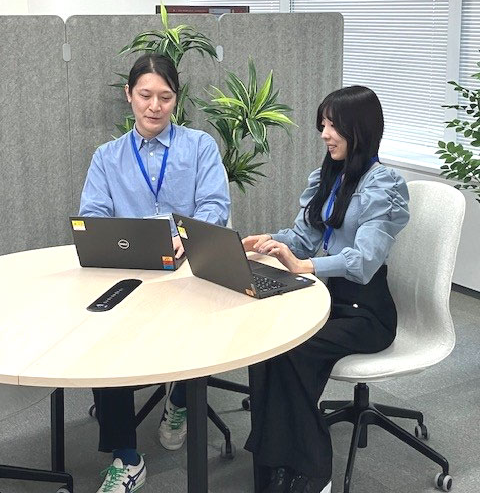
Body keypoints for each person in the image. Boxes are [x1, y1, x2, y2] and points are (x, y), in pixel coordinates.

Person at [242, 85, 409, 493]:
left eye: (332, 126)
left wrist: (306, 266)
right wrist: (267, 241)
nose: (324, 134)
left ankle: (315, 471)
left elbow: (365, 261)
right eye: (322, 125)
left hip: (367, 312)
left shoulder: (383, 185)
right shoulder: (329, 176)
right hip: (328, 300)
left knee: (294, 353)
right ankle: (274, 463)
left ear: (359, 128)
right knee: (267, 344)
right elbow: (302, 238)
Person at [79, 53, 230, 493]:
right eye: (145, 95)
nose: (154, 106)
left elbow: (215, 205)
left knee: (205, 323)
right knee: (102, 340)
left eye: (165, 97)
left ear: (176, 99)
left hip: (189, 270)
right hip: (130, 273)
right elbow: (93, 216)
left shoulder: (199, 147)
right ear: (129, 95)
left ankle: (180, 398)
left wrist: (186, 234)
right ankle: (127, 458)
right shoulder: (107, 157)